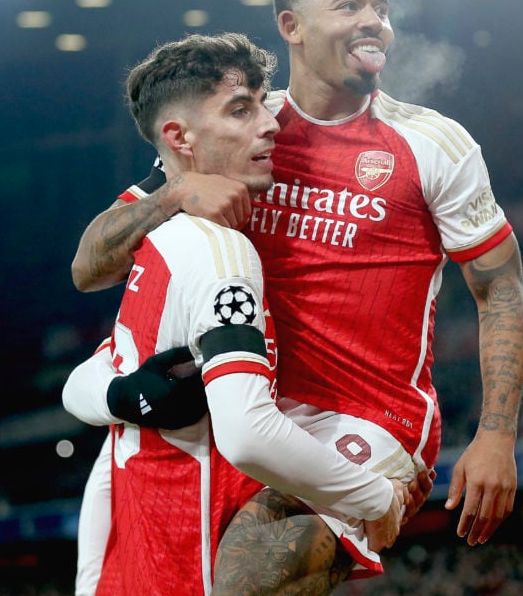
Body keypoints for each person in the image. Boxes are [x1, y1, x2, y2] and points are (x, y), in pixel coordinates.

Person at [72, 0, 523, 588]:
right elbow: (91, 264)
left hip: (368, 421)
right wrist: (173, 194)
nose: (374, 19)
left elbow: (500, 290)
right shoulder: (245, 132)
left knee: (252, 576)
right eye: (350, 4)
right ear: (291, 26)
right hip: (248, 407)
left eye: (381, 6)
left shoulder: (434, 145)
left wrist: (496, 435)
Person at [62, 31, 408, 595]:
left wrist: (121, 397)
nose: (270, 123)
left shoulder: (179, 232)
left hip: (340, 421)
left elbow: (94, 377)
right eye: (243, 110)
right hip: (216, 501)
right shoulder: (195, 237)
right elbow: (87, 269)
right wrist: (173, 194)